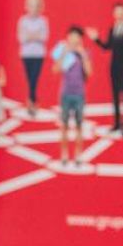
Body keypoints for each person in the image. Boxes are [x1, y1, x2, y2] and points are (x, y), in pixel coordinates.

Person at [88, 1, 123, 136]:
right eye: (117, 12)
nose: (120, 14)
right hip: (114, 67)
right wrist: (96, 39)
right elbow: (107, 47)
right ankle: (117, 124)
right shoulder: (113, 29)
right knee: (116, 96)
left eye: (122, 12)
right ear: (114, 14)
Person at [51, 26, 93, 165]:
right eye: (71, 36)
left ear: (80, 39)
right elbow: (55, 70)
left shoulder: (84, 53)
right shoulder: (63, 52)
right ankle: (64, 154)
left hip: (79, 94)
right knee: (64, 125)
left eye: (77, 37)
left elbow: (89, 73)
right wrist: (64, 54)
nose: (74, 39)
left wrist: (83, 55)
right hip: (65, 93)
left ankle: (78, 154)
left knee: (79, 125)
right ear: (68, 38)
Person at [16, 0, 48, 116]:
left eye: (36, 6)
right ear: (26, 6)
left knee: (34, 79)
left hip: (39, 54)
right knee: (30, 80)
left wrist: (30, 35)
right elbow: (21, 38)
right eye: (31, 5)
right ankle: (33, 101)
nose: (33, 8)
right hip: (26, 54)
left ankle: (31, 103)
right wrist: (35, 35)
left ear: (40, 7)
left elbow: (44, 37)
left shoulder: (43, 21)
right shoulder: (22, 20)